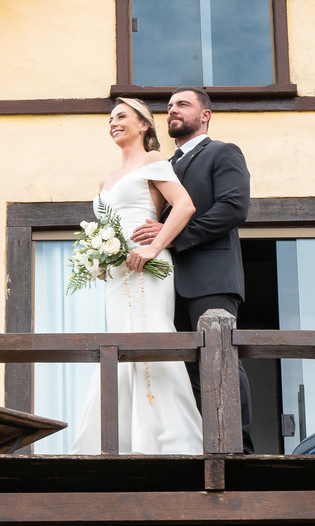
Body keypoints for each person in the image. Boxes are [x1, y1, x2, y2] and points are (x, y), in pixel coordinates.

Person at [67, 97, 204, 454]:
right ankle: (116, 441)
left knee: (150, 336)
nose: (113, 122)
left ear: (144, 125)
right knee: (118, 343)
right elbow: (104, 226)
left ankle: (167, 442)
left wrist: (154, 246)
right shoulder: (105, 180)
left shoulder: (153, 161)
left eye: (122, 116)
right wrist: (96, 260)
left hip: (148, 272)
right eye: (110, 118)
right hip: (116, 276)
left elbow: (185, 206)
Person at [130, 87, 256, 454]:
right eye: (168, 107)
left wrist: (172, 238)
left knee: (222, 361)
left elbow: (234, 208)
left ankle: (239, 449)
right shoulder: (162, 167)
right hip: (166, 285)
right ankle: (201, 446)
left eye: (182, 104)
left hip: (211, 277)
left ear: (206, 115)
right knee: (186, 371)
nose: (172, 111)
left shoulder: (222, 152)